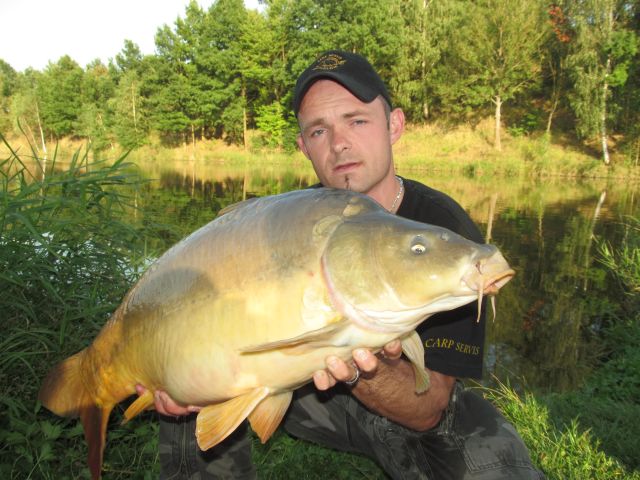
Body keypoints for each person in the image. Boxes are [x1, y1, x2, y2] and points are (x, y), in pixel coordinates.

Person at [140, 50, 545, 480]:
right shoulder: (291, 219)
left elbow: (429, 408)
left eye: (356, 120)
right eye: (319, 130)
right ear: (303, 146)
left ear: (395, 125)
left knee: (489, 457)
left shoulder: (443, 225)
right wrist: (188, 379)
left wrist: (359, 367)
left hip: (395, 390)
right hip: (299, 389)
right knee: (186, 379)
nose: (339, 143)